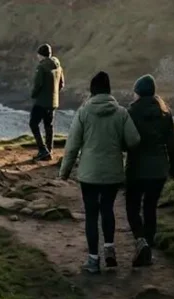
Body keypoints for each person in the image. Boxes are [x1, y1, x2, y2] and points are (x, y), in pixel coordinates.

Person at [59, 71, 141, 274]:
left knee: (91, 215)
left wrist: (64, 172)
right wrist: (118, 145)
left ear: (92, 90)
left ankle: (93, 261)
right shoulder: (121, 112)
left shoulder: (83, 112)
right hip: (112, 172)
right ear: (109, 90)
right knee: (107, 209)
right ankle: (110, 249)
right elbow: (134, 140)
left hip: (89, 174)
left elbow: (72, 146)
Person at [125, 74, 174, 267]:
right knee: (150, 208)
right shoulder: (165, 113)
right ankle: (147, 245)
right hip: (159, 170)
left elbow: (126, 142)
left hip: (136, 169)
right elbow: (173, 144)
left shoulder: (131, 112)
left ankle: (140, 241)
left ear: (138, 93)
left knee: (132, 207)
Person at [29, 44, 65, 161]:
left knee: (33, 124)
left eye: (38, 55)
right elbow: (61, 84)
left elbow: (38, 84)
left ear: (41, 55)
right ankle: (49, 150)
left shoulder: (42, 67)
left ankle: (43, 150)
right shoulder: (58, 66)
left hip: (41, 102)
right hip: (53, 102)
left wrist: (33, 95)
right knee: (48, 126)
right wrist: (53, 95)